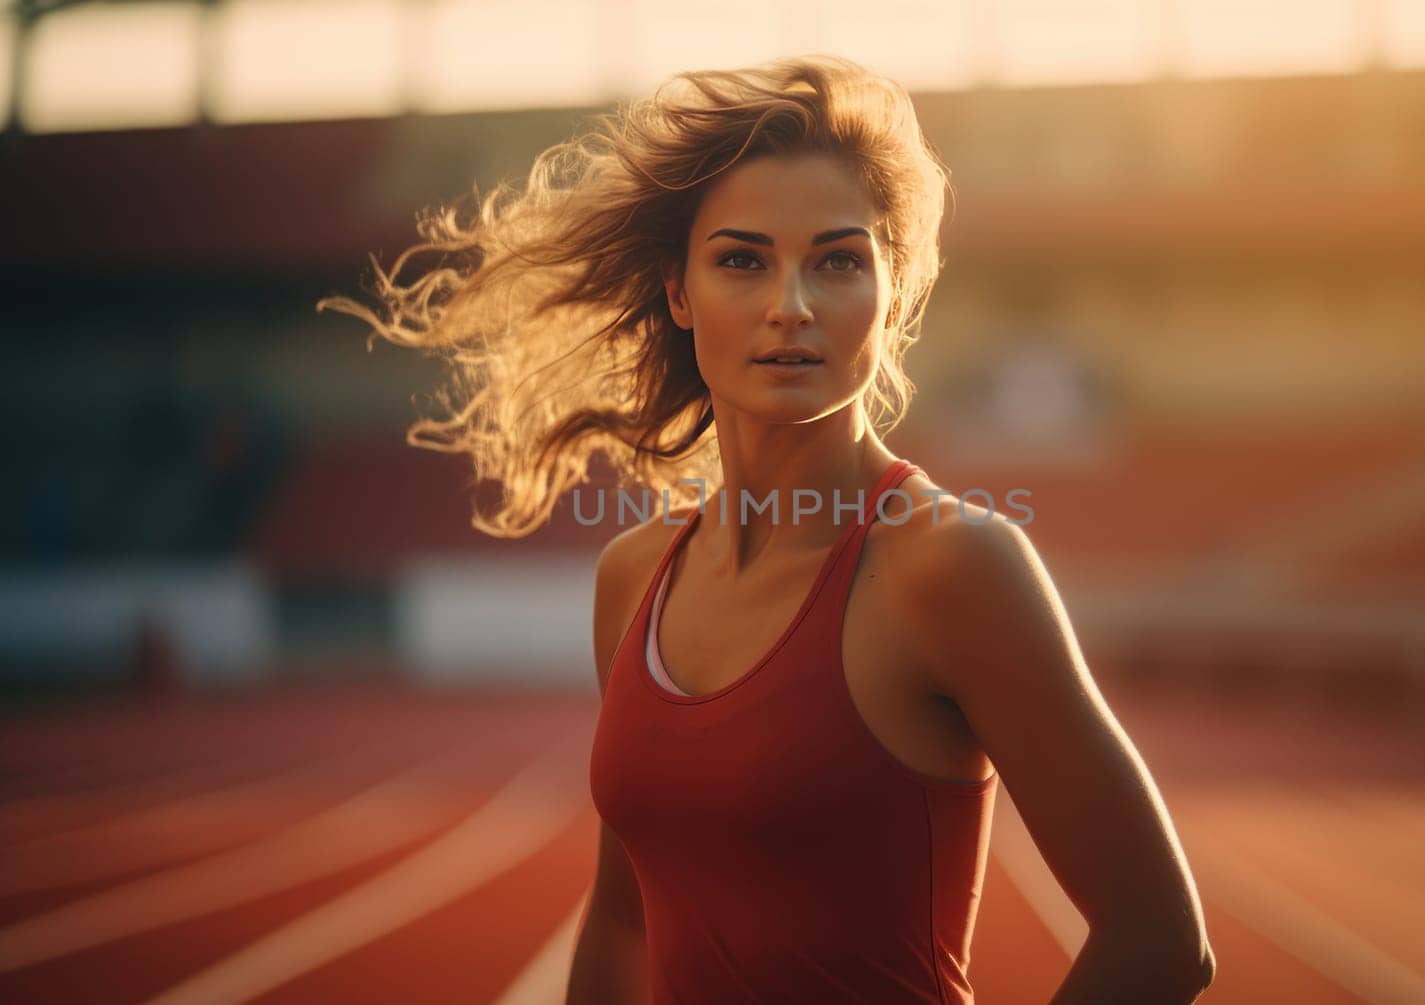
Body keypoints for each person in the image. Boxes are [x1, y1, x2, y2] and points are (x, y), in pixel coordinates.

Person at [322, 55, 1214, 1005]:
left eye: (837, 260)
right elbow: (622, 921)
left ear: (895, 292)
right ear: (679, 292)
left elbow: (1158, 935)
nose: (792, 305)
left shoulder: (954, 567)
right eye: (743, 259)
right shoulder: (633, 577)